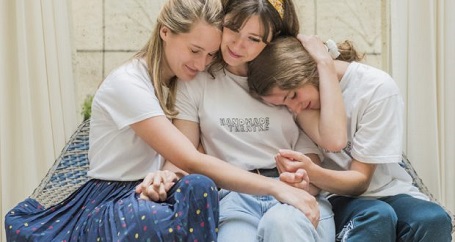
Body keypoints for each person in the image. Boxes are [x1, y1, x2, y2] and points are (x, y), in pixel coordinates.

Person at [5, 0, 324, 241]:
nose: (201, 64)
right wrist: (276, 188)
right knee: (164, 207)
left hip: (157, 185)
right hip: (111, 195)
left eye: (210, 54)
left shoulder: (182, 82)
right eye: (195, 50)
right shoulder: (128, 84)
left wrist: (164, 176)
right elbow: (187, 156)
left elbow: (180, 160)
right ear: (165, 31)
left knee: (199, 187)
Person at [168, 0, 347, 241]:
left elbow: (317, 152)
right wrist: (162, 176)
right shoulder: (195, 81)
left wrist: (302, 184)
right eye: (233, 28)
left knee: (281, 224)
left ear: (272, 39)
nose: (238, 45)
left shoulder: (281, 82)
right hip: (235, 199)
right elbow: (184, 156)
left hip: (293, 197)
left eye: (254, 39)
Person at [247, 36, 453, 241]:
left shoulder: (375, 88)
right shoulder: (298, 110)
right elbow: (327, 150)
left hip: (386, 190)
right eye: (283, 105)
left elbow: (360, 182)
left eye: (292, 96)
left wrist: (312, 171)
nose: (293, 108)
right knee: (376, 215)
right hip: (334, 196)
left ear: (310, 72)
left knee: (433, 219)